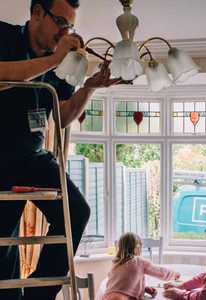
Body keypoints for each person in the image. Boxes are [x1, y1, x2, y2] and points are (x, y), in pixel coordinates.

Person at [0, 1, 124, 299]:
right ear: (37, 13)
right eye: (60, 21)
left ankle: (38, 298)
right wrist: (53, 60)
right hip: (1, 155)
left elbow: (64, 115)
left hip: (33, 155)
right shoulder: (4, 37)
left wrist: (90, 87)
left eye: (69, 25)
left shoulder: (60, 63)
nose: (65, 31)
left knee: (77, 211)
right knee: (5, 251)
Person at [98, 233, 181, 300]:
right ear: (136, 248)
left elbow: (122, 284)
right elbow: (160, 272)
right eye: (140, 247)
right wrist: (174, 274)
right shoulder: (139, 261)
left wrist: (143, 289)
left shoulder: (116, 263)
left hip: (107, 296)